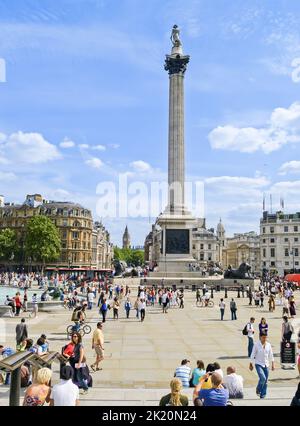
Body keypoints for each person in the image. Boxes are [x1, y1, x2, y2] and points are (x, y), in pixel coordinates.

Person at [249, 334, 275, 399]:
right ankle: (258, 389)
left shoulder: (268, 345)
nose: (265, 339)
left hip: (266, 364)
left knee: (265, 381)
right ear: (260, 337)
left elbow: (271, 355)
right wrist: (251, 364)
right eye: (263, 337)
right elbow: (252, 354)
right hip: (258, 364)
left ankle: (263, 395)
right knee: (263, 378)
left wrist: (273, 364)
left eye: (266, 337)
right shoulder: (256, 345)